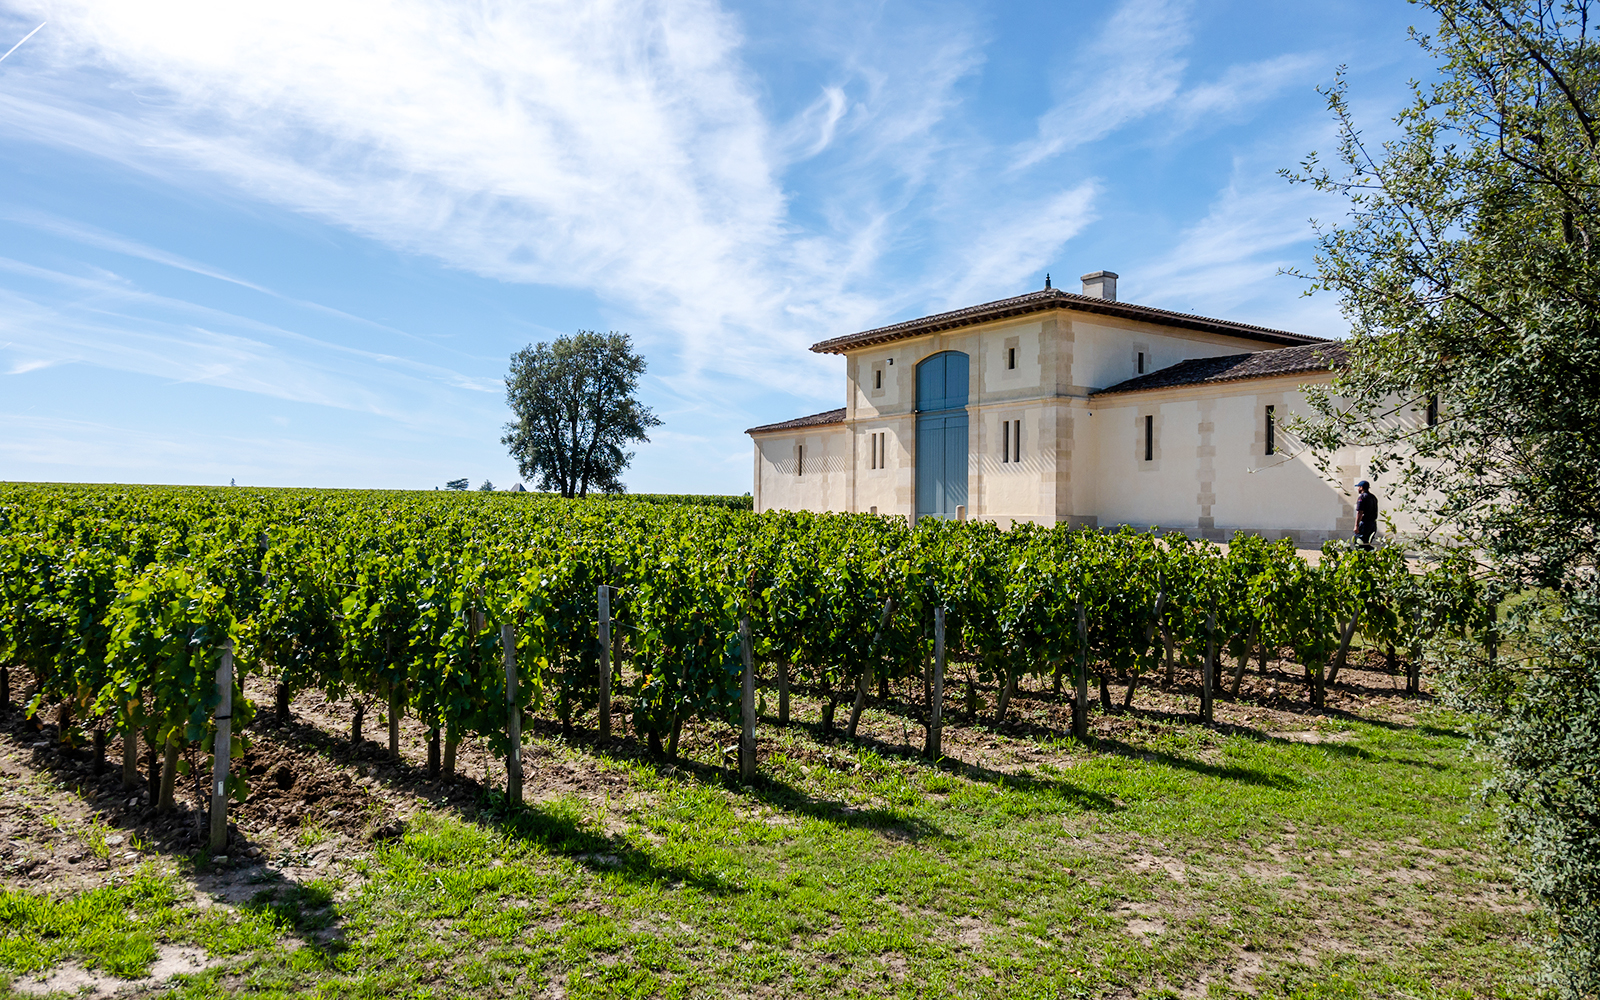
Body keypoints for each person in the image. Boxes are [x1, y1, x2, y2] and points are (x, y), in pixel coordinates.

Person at [1353, 480, 1378, 548]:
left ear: (1361, 488)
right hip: (1372, 524)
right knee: (1366, 543)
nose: (1358, 489)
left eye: (1358, 487)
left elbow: (1360, 512)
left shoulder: (1362, 497)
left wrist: (1356, 526)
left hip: (1365, 524)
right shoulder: (1373, 497)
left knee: (1359, 543)